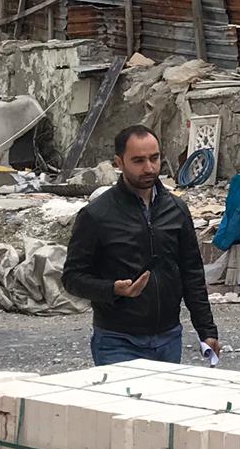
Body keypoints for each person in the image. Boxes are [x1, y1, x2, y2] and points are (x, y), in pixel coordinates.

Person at [65, 126, 219, 367]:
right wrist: (113, 289)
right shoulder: (97, 215)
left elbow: (192, 274)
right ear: (119, 162)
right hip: (117, 341)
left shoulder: (176, 210)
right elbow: (72, 278)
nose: (149, 168)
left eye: (154, 158)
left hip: (168, 338)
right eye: (138, 161)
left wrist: (207, 331)